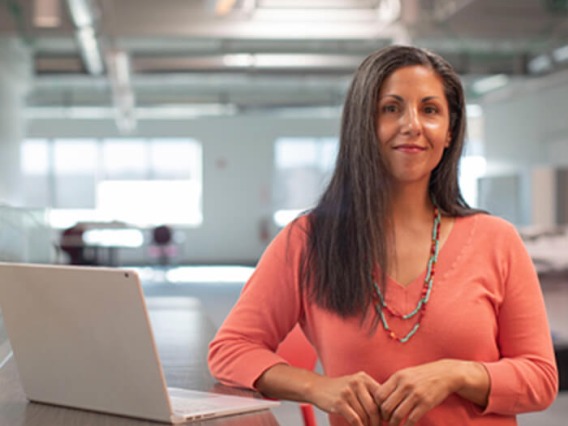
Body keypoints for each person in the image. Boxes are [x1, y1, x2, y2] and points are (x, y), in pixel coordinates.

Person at [208, 45, 558, 426]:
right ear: (363, 125)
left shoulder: (497, 240)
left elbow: (541, 379)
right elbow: (230, 350)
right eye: (391, 108)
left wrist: (457, 374)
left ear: (449, 131)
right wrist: (316, 386)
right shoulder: (308, 241)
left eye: (430, 110)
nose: (412, 125)